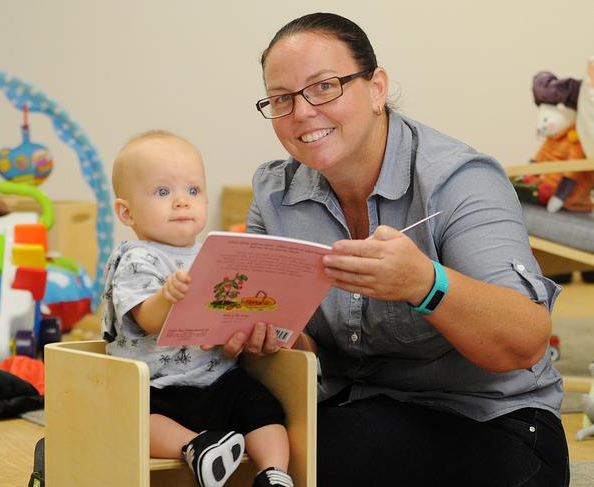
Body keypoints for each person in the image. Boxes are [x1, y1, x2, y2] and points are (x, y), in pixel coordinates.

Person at [230, 12, 570, 487]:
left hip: (489, 424)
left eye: (324, 86)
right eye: (281, 99)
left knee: (308, 456)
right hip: (354, 410)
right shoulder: (274, 194)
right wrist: (271, 336)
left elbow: (525, 342)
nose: (303, 111)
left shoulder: (459, 180)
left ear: (376, 88)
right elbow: (304, 351)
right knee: (235, 437)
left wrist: (425, 284)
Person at [100, 130, 294, 487]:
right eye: (163, 192)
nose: (181, 202)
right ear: (126, 212)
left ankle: (274, 473)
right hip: (159, 386)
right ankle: (195, 447)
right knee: (134, 418)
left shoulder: (214, 252)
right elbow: (146, 319)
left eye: (193, 190)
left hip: (218, 377)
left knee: (263, 409)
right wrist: (167, 296)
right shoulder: (136, 258)